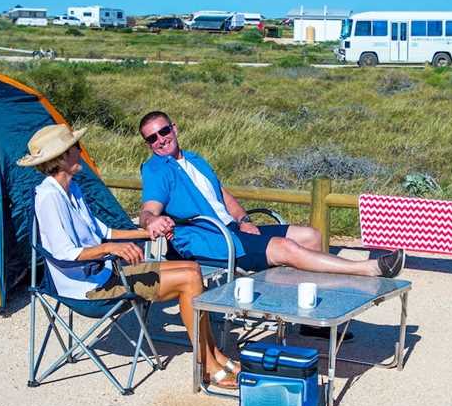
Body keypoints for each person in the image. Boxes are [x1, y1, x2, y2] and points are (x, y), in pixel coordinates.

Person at [17, 123, 240, 388]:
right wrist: (110, 249)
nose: (81, 151)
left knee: (192, 269)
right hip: (86, 289)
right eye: (76, 147)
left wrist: (150, 233)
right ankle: (207, 366)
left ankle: (214, 355)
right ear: (61, 157)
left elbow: (104, 231)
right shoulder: (48, 197)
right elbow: (63, 252)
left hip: (105, 273)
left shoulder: (72, 189)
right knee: (188, 281)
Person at [138, 110, 405, 280]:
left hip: (233, 229)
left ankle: (308, 314)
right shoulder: (156, 170)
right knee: (285, 248)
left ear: (174, 128)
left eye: (163, 131)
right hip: (209, 240)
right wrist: (151, 220)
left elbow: (221, 193)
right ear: (148, 144)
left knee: (311, 235)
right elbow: (148, 208)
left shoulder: (195, 159)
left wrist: (244, 219)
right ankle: (368, 268)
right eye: (152, 139)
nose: (160, 140)